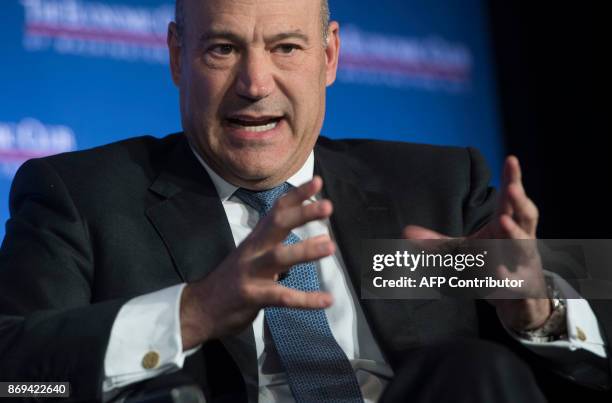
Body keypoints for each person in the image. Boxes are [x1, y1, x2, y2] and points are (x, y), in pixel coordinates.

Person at [0, 0, 610, 402]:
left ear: (329, 56)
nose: (255, 83)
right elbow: (17, 380)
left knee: (478, 372)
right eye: (222, 49)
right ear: (176, 58)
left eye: (286, 48)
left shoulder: (435, 185)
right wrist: (193, 312)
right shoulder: (82, 196)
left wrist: (541, 312)